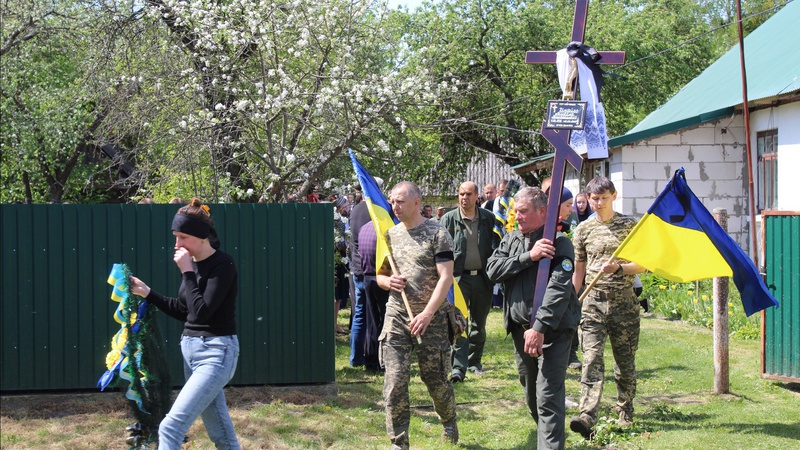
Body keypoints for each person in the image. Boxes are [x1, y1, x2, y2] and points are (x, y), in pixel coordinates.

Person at [129, 198, 240, 449]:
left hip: (216, 353)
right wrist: (148, 292)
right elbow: (184, 311)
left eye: (183, 237)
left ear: (201, 237)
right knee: (220, 431)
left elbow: (201, 314)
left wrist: (187, 272)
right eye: (175, 237)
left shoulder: (222, 264)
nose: (177, 244)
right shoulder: (194, 265)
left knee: (170, 427)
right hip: (192, 352)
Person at [486, 187, 580, 450]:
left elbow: (559, 288)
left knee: (548, 394)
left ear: (543, 211)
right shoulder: (512, 239)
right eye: (516, 211)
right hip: (520, 331)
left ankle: (550, 445)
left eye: (524, 211)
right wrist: (529, 256)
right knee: (531, 394)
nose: (518, 216)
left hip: (553, 331)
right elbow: (492, 270)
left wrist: (539, 328)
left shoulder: (559, 243)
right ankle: (549, 437)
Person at [377, 181, 458, 449]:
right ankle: (398, 442)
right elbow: (380, 275)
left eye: (400, 201)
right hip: (398, 317)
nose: (394, 206)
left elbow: (446, 278)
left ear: (416, 202)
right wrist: (389, 283)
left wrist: (426, 314)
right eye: (392, 201)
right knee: (395, 383)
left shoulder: (438, 233)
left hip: (431, 320)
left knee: (435, 381)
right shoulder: (390, 235)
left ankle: (448, 421)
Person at [569, 176, 646, 439]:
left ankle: (625, 408)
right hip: (592, 302)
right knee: (591, 359)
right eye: (594, 198)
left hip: (624, 301)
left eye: (604, 197)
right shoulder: (583, 230)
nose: (599, 203)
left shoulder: (628, 226)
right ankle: (587, 414)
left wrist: (620, 268)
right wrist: (571, 299)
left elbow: (642, 265)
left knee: (625, 362)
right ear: (588, 200)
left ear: (614, 196)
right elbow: (579, 269)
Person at [440, 181, 499, 382]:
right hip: (458, 279)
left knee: (479, 324)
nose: (464, 198)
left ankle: (475, 361)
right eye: (461, 194)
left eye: (468, 194)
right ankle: (458, 367)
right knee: (459, 323)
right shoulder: (448, 220)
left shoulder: (488, 219)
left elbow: (498, 245)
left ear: (476, 197)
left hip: (483, 279)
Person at [359, 220, 390, 371]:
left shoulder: (364, 228)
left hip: (367, 277)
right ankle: (381, 361)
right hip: (383, 278)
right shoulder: (385, 230)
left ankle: (371, 360)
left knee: (372, 321)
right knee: (385, 321)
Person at [348, 187, 372, 365]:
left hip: (357, 268)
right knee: (374, 315)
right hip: (371, 269)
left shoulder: (354, 210)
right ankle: (372, 357)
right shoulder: (375, 210)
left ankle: (355, 358)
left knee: (359, 314)